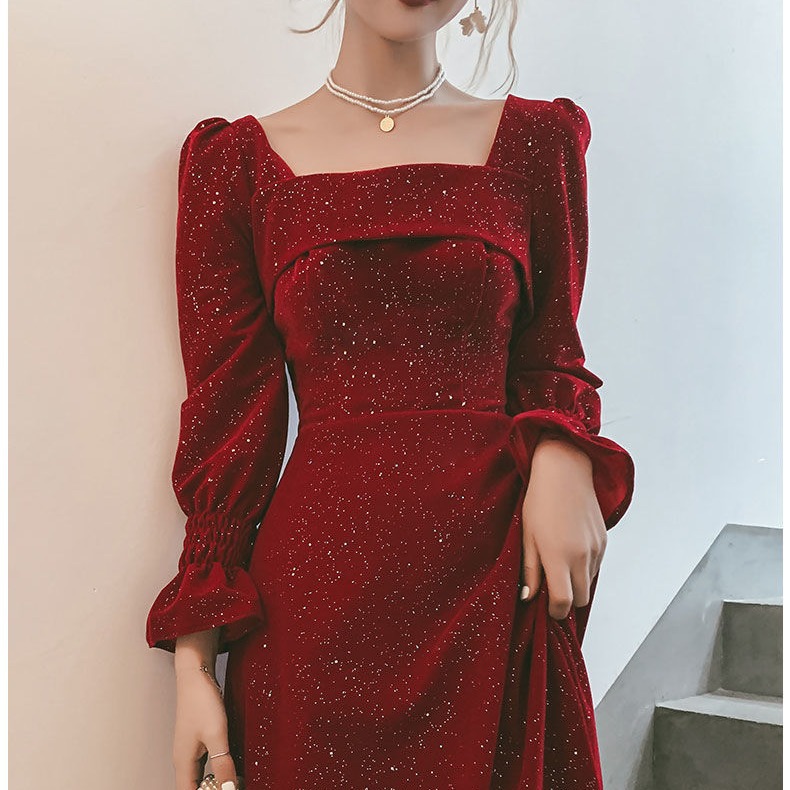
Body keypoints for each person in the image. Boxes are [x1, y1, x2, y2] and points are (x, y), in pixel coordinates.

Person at [145, 1, 636, 788]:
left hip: (495, 579)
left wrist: (562, 451)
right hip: (315, 608)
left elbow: (551, 353)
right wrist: (194, 664)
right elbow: (227, 416)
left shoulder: (538, 143)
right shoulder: (235, 166)